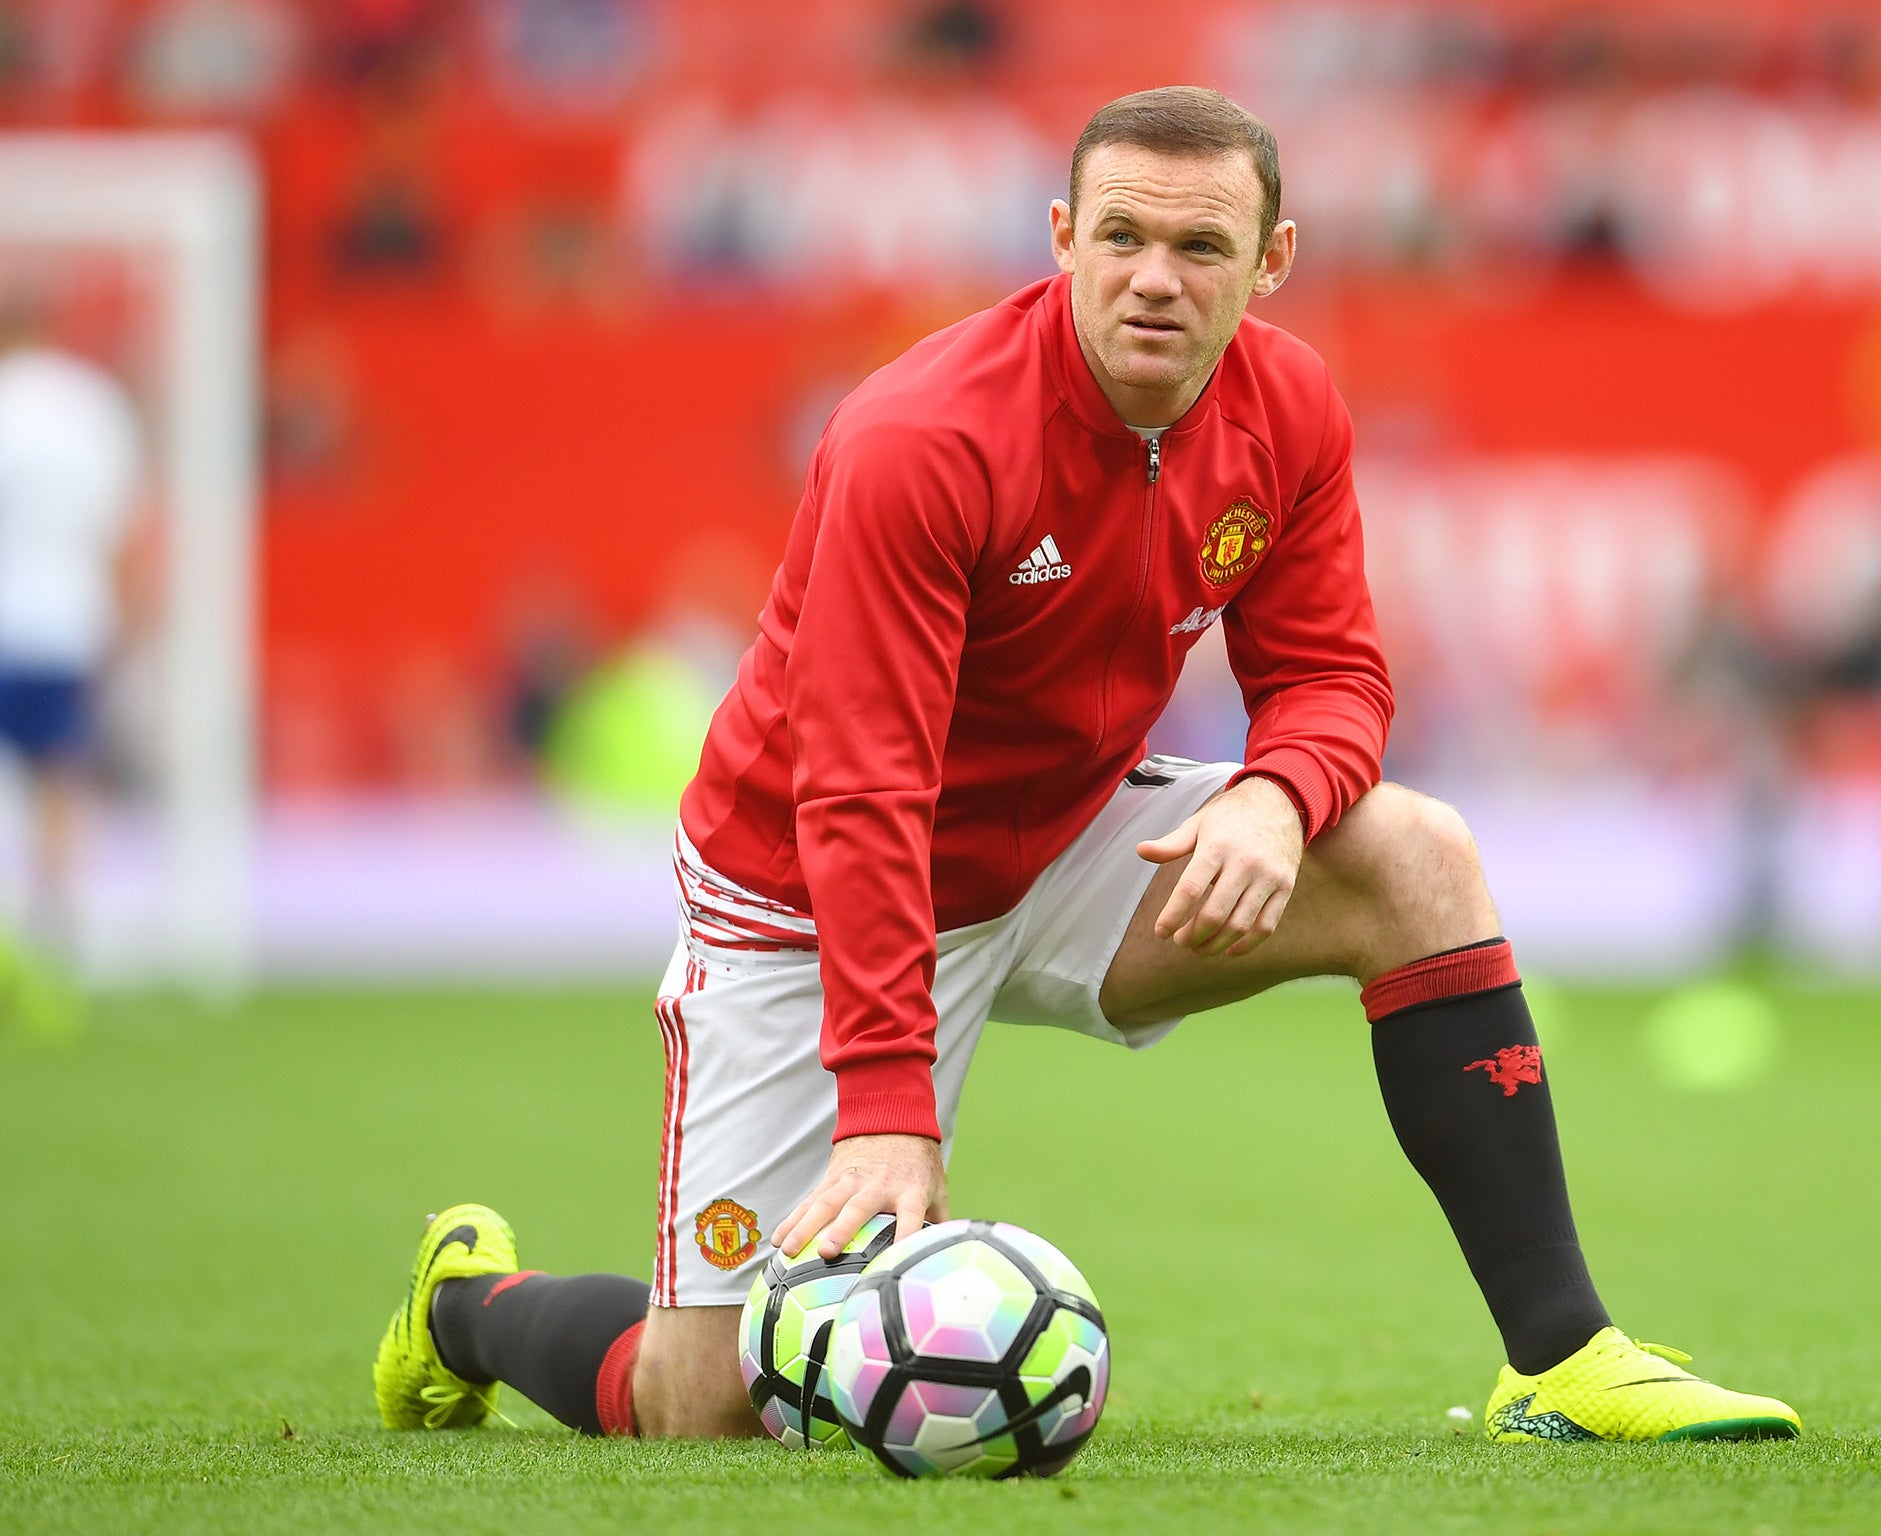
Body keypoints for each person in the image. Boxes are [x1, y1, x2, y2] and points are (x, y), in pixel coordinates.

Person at [373, 87, 1800, 1446]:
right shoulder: (917, 441)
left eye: (1199, 246)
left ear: (1273, 261)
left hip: (1059, 840)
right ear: (1060, 239)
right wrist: (887, 1103)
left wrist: (1273, 792)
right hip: (813, 894)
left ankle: (1562, 1360)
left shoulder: (1289, 406)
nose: (1154, 279)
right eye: (1119, 236)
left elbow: (1334, 676)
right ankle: (465, 1309)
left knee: (1416, 855)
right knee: (709, 1409)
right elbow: (863, 785)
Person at [0, 301, 141, 974]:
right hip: (66, 616)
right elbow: (123, 519)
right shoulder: (91, 405)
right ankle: (59, 922)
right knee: (59, 769)